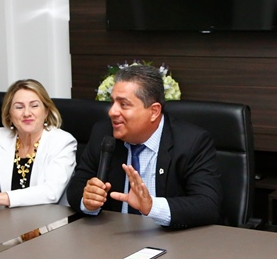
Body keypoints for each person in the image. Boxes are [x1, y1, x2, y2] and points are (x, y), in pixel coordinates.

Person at [66, 64, 222, 229]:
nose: (112, 112)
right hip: (113, 236)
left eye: (123, 104)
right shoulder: (103, 133)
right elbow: (77, 185)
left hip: (172, 238)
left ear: (154, 111)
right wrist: (88, 200)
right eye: (112, 102)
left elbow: (208, 205)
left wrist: (151, 206)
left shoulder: (191, 142)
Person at [0, 80, 77, 211]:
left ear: (46, 112)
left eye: (34, 106)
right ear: (9, 115)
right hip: (9, 219)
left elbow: (51, 192)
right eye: (19, 107)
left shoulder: (62, 141)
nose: (27, 113)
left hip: (51, 219)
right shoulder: (1, 137)